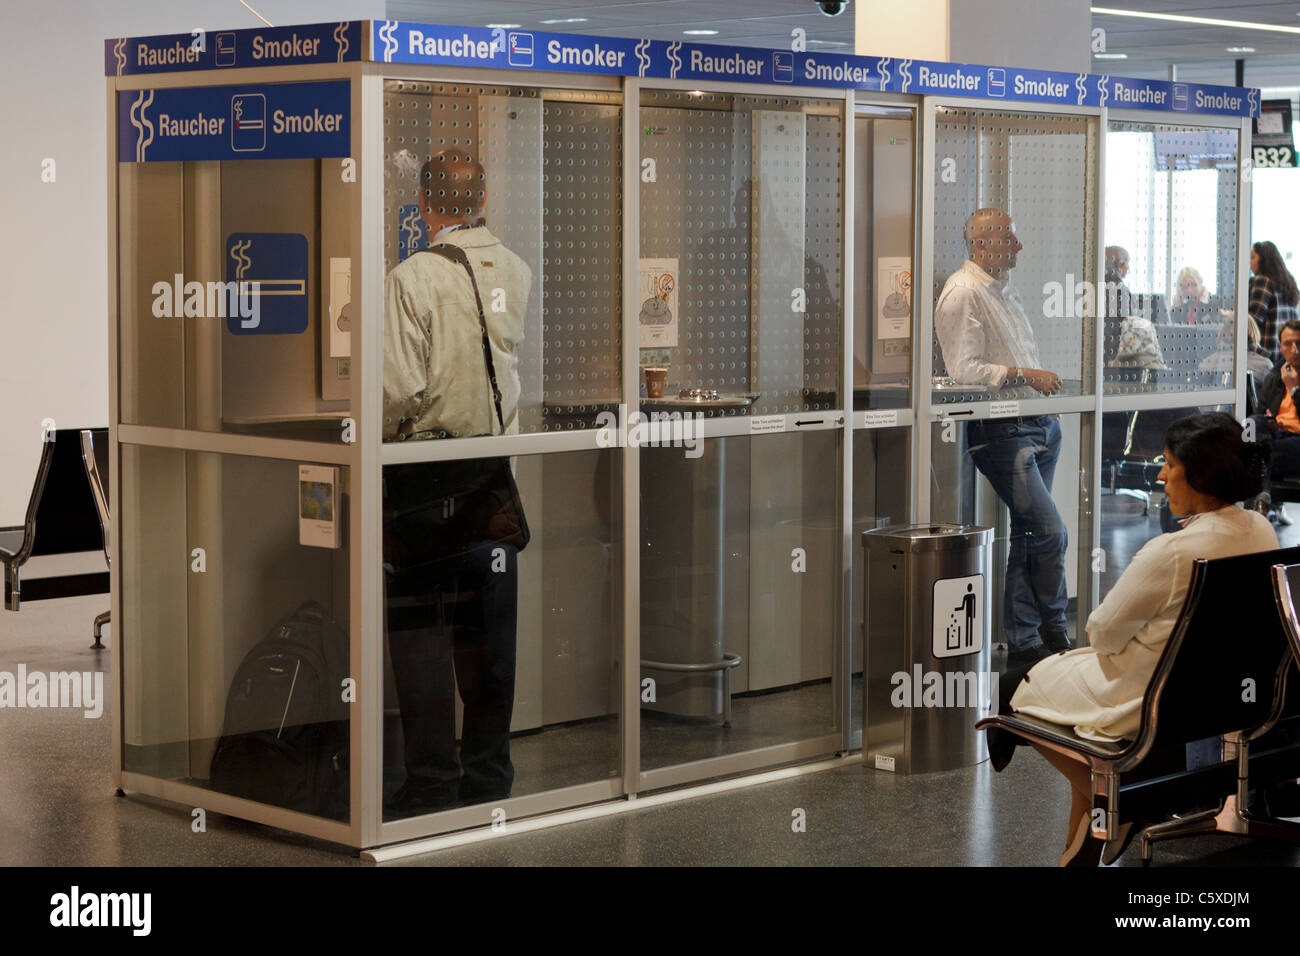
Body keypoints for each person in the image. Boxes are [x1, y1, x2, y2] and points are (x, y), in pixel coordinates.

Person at [991, 412, 1275, 865]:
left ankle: (1117, 803)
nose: (1160, 475)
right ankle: (1083, 842)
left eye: (1168, 464)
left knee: (1013, 688)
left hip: (1146, 702)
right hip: (1220, 701)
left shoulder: (1173, 552)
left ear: (1199, 475)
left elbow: (1101, 632)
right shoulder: (1261, 531)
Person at [382, 150, 532, 816]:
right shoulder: (517, 270)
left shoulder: (412, 278)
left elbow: (395, 393)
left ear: (423, 205)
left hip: (423, 496)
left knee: (421, 646)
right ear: (484, 200)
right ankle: (489, 777)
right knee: (489, 652)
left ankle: (432, 784)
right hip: (493, 493)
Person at [934, 208, 1069, 667]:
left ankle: (1026, 639)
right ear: (980, 244)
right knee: (1050, 532)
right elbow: (964, 372)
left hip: (1036, 424)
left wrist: (1037, 396)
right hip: (1001, 431)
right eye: (1009, 237)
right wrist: (1025, 375)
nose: (1018, 246)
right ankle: (1052, 628)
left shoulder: (1001, 292)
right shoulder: (963, 292)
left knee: (1033, 533)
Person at [1248, 318, 1300, 526]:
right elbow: (1261, 412)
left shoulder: (1288, 378)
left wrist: (1294, 389)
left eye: (1299, 343)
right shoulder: (1274, 375)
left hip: (1296, 440)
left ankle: (1259, 500)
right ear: (1280, 346)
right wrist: (1270, 421)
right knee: (1251, 423)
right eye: (1288, 344)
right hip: (1275, 436)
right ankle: (1263, 499)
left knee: (1256, 453)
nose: (1294, 350)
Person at [1249, 240, 1299, 364]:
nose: (1250, 262)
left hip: (1267, 356)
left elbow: (1253, 321)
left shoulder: (1261, 281)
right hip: (1288, 353)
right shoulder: (1288, 282)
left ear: (1263, 260)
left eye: (1253, 257)